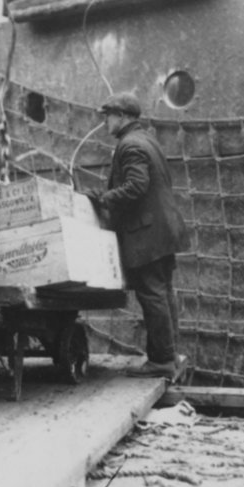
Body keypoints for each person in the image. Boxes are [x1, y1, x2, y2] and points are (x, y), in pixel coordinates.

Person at [87, 92, 190, 379]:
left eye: (107, 116)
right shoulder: (147, 140)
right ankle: (170, 356)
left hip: (147, 234)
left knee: (153, 295)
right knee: (164, 293)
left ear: (122, 117)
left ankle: (161, 361)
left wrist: (105, 199)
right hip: (162, 230)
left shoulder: (130, 144)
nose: (105, 121)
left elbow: (136, 186)